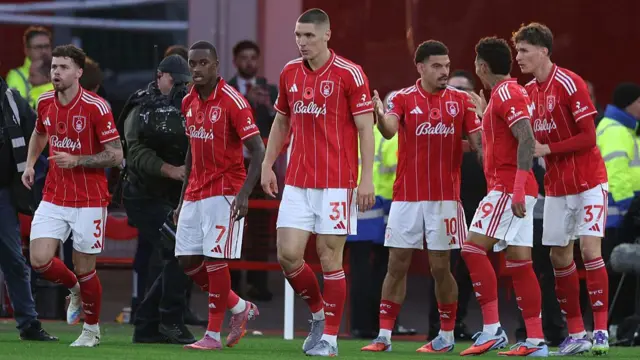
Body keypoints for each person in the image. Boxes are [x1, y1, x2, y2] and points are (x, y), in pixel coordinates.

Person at [260, 8, 376, 356]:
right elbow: (282, 121)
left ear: (327, 35)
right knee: (288, 256)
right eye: (298, 35)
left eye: (309, 35)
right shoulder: (289, 73)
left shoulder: (350, 74)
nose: (302, 42)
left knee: (330, 259)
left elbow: (366, 129)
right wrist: (268, 164)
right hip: (297, 181)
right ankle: (317, 313)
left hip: (337, 183)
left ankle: (330, 339)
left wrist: (366, 178)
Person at [361, 40, 482, 353]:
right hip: (407, 198)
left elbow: (480, 144)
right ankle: (384, 336)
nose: (444, 72)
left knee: (441, 268)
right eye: (437, 66)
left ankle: (445, 335)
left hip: (445, 199)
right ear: (421, 67)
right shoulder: (402, 98)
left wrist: (486, 116)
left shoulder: (462, 101)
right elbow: (389, 130)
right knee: (396, 265)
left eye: (446, 65)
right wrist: (377, 112)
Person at [514, 22, 609, 356]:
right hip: (555, 187)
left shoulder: (570, 83)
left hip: (588, 182)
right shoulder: (527, 92)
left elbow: (588, 136)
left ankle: (600, 330)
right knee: (557, 255)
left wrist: (548, 150)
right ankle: (576, 333)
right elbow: (526, 141)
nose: (519, 56)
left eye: (524, 50)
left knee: (589, 250)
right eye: (517, 50)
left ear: (543, 51)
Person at [21, 44, 123, 347]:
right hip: (54, 194)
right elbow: (40, 133)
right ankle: (75, 288)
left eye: (63, 67)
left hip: (90, 199)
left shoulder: (97, 107)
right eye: (54, 67)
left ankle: (91, 330)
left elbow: (116, 155)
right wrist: (29, 164)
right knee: (38, 259)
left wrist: (78, 160)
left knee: (85, 267)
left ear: (79, 72)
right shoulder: (44, 102)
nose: (56, 73)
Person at [175, 40, 265, 350]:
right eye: (192, 63)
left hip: (226, 189)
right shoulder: (188, 101)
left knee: (215, 259)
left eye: (203, 63)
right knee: (186, 259)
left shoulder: (233, 102)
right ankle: (239, 307)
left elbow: (258, 149)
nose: (196, 69)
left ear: (216, 66)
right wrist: (181, 197)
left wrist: (244, 194)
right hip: (195, 190)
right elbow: (191, 150)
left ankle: (212, 335)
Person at [459, 37, 547, 357]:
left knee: (471, 249)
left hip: (510, 188)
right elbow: (507, 140)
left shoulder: (508, 92)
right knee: (521, 265)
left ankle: (492, 330)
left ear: (482, 66)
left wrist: (519, 188)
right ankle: (536, 342)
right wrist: (485, 115)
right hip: (515, 187)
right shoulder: (504, 95)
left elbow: (526, 139)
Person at [122, 54, 196, 344]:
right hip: (142, 194)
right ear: (160, 76)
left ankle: (147, 325)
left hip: (173, 196)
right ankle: (169, 320)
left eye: (185, 83)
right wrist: (171, 170)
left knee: (181, 254)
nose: (180, 88)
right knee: (181, 250)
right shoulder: (141, 106)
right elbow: (135, 152)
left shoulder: (191, 106)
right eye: (175, 81)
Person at [0, 75, 56, 341]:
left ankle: (28, 324)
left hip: (2, 194)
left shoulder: (11, 99)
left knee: (13, 260)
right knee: (14, 260)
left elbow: (39, 133)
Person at [228, 40, 278, 302]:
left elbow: (281, 125)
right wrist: (245, 101)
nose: (249, 62)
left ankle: (259, 285)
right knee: (233, 221)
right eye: (244, 58)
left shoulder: (270, 89)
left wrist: (269, 106)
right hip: (235, 165)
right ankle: (232, 285)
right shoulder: (225, 89)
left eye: (253, 58)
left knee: (260, 226)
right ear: (235, 60)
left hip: (262, 165)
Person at [596, 83, 640, 329]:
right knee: (617, 270)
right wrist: (628, 207)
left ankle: (620, 325)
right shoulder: (614, 129)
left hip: (625, 211)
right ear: (628, 104)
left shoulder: (627, 129)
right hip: (617, 213)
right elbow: (616, 171)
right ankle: (613, 326)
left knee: (627, 271)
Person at [6, 26, 52, 105]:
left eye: (46, 46)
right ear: (27, 50)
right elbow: (16, 107)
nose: (44, 51)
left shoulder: (62, 72)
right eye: (38, 47)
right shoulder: (16, 76)